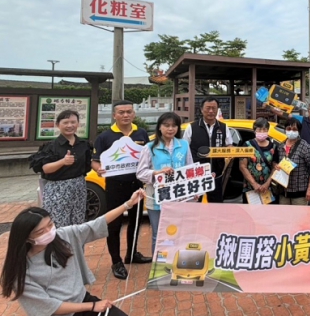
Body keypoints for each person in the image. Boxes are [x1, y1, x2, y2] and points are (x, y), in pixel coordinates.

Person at [0, 188, 145, 316]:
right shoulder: (20, 272)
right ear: (26, 237)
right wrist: (92, 307)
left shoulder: (62, 236)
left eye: (50, 225)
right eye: (40, 231)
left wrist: (128, 204)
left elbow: (96, 224)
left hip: (81, 300)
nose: (49, 232)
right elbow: (53, 307)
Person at [92, 101, 151, 280]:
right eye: (121, 112)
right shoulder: (104, 137)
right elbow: (94, 160)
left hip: (137, 186)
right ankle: (116, 261)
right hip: (114, 187)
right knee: (114, 225)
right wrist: (98, 169)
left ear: (134, 114)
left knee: (135, 222)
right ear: (114, 115)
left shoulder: (141, 133)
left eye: (129, 112)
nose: (125, 115)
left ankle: (132, 254)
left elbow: (149, 157)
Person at [135, 112, 193, 253]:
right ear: (159, 127)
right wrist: (157, 173)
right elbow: (140, 173)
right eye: (166, 125)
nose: (170, 129)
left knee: (180, 233)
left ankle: (177, 264)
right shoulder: (149, 148)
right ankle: (159, 269)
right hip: (156, 199)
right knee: (159, 235)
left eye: (174, 126)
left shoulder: (184, 145)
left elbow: (190, 169)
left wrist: (194, 190)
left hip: (181, 198)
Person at [29, 110, 92, 227]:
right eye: (65, 122)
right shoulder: (51, 146)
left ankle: (76, 246)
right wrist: (63, 162)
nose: (70, 125)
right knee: (58, 224)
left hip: (79, 187)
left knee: (78, 224)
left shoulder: (84, 145)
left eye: (73, 122)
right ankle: (58, 246)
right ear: (58, 125)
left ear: (78, 124)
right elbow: (46, 168)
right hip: (57, 189)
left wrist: (101, 168)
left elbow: (88, 164)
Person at [271, 100, 310, 207]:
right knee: (309, 196)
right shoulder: (302, 120)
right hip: (304, 168)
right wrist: (269, 105)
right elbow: (284, 114)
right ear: (308, 111)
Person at [183, 97, 234, 203]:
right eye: (208, 108)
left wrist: (231, 151)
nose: (211, 111)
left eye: (214, 108)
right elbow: (184, 149)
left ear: (217, 109)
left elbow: (230, 146)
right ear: (202, 110)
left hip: (216, 174)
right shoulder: (191, 127)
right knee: (195, 207)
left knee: (216, 207)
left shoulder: (224, 127)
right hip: (196, 176)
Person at [276, 117, 310, 205]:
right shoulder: (280, 146)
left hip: (299, 192)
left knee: (300, 218)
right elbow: (275, 162)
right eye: (288, 129)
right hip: (283, 192)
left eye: (294, 129)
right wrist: (276, 167)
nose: (291, 131)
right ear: (285, 130)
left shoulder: (305, 146)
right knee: (284, 217)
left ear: (299, 131)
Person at [238, 117, 280, 203]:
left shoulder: (274, 147)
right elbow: (242, 166)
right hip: (250, 188)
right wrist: (254, 184)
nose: (262, 132)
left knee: (267, 215)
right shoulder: (247, 145)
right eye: (259, 130)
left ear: (268, 131)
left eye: (264, 130)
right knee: (250, 215)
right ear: (254, 130)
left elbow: (274, 167)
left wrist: (267, 184)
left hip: (268, 189)